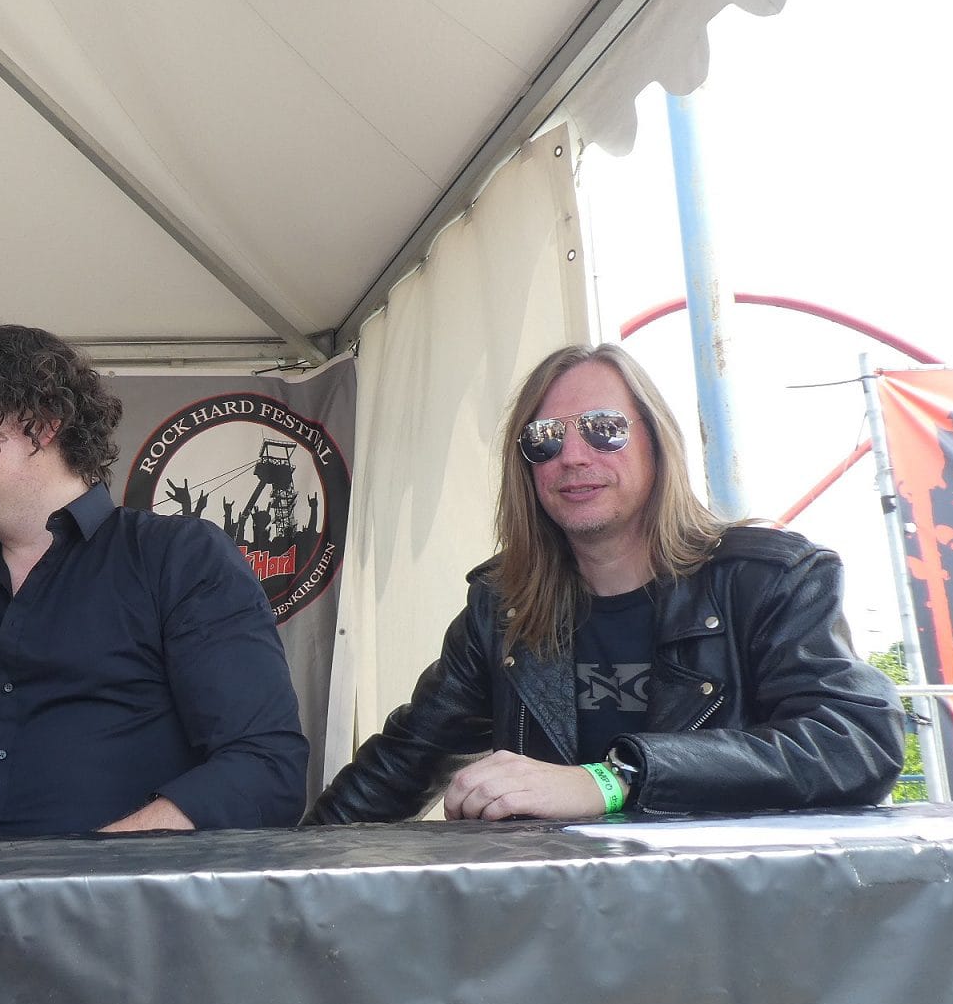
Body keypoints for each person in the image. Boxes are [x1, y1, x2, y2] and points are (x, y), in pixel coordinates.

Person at [306, 343, 903, 825]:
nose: (572, 455)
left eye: (603, 429)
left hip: (730, 915)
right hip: (566, 919)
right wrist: (286, 869)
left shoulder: (768, 580)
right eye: (544, 438)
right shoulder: (502, 606)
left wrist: (614, 780)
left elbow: (858, 741)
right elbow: (403, 762)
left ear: (656, 442)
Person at [0, 325, 309, 839]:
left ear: (40, 421)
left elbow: (264, 767)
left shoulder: (179, 559)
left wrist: (90, 867)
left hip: (119, 890)